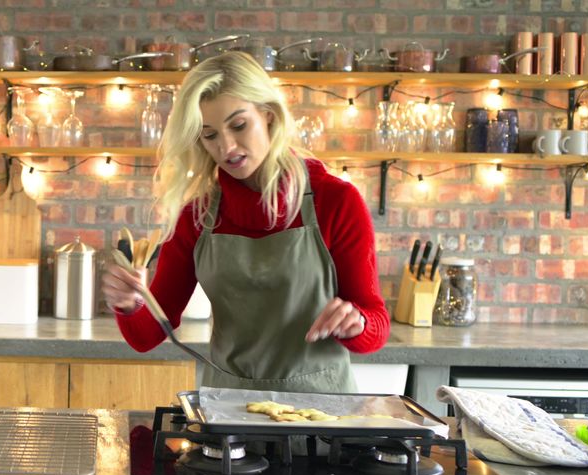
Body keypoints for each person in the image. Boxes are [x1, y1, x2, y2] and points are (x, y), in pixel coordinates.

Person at [102, 51, 389, 393]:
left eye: (238, 125)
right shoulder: (198, 216)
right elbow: (148, 337)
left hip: (322, 416)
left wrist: (356, 322)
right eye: (209, 135)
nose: (227, 147)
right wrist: (130, 305)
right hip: (228, 413)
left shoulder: (336, 202)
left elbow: (377, 325)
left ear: (268, 115)